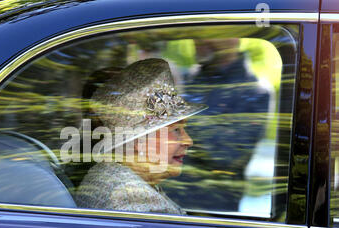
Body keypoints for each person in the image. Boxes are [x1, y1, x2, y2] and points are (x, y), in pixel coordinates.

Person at [75, 58, 207, 215]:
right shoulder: (130, 196)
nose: (188, 141)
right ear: (140, 140)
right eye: (176, 130)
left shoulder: (124, 179)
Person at [169, 38, 272, 211]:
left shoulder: (255, 92)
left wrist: (178, 100)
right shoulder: (186, 79)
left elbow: (225, 156)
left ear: (232, 38)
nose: (196, 40)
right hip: (163, 210)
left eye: (207, 34)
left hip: (208, 218)